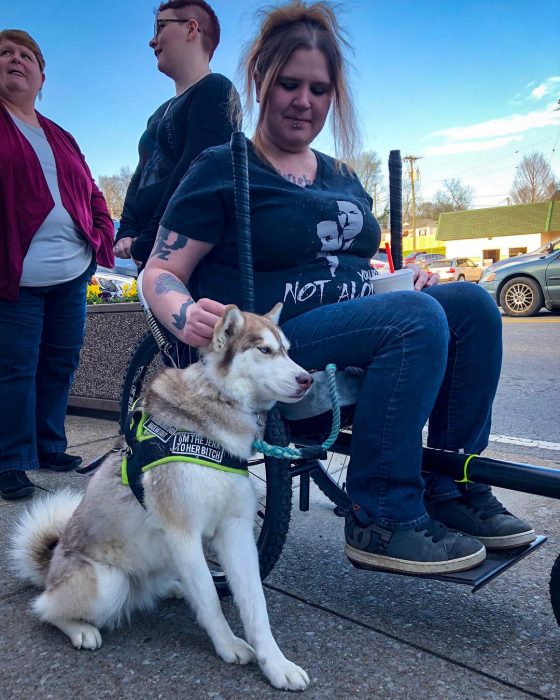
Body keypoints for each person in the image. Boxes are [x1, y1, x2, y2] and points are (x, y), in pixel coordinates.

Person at [142, 0, 535, 575]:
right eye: (289, 84)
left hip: (357, 320)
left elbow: (350, 269)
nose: (305, 101)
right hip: (278, 338)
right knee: (415, 318)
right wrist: (185, 315)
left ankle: (451, 488)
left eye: (320, 90)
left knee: (471, 303)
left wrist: (400, 282)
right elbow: (159, 271)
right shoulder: (224, 167)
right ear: (261, 81)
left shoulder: (343, 176)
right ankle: (381, 515)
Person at [0, 30, 114, 500]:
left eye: (26, 55)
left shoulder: (60, 135)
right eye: (5, 53)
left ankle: (49, 445)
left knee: (60, 362)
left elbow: (90, 191)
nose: (16, 60)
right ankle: (10, 459)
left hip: (72, 271)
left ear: (42, 76)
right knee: (14, 368)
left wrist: (102, 233)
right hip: (16, 277)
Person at [113, 0, 238, 270]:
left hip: (187, 262)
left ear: (191, 29)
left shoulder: (216, 90)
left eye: (160, 27)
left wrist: (148, 241)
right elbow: (140, 176)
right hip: (151, 255)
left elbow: (196, 176)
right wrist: (126, 230)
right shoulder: (159, 113)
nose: (152, 40)